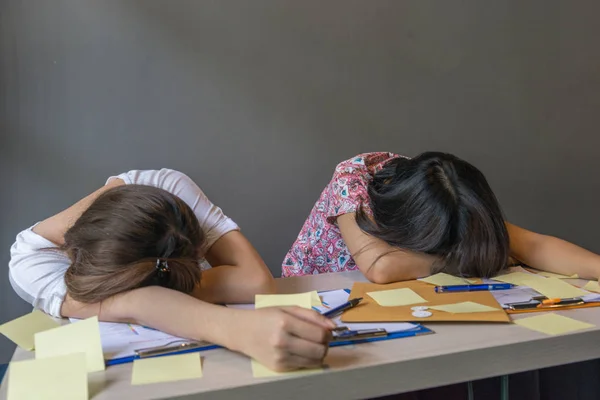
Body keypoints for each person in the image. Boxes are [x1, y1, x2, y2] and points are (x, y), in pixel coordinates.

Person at [9, 169, 334, 371]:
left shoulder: (167, 189)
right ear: (72, 250)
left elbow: (254, 281)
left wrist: (139, 298)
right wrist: (235, 329)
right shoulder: (29, 262)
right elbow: (136, 304)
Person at [283, 152, 600, 283]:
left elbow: (533, 245)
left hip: (408, 296)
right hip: (320, 296)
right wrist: (468, 255)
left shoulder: (440, 191)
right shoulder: (352, 182)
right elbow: (381, 268)